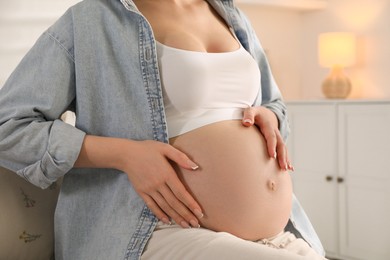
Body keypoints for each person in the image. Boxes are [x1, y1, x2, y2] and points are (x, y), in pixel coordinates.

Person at [0, 0, 326, 259]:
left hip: (275, 233)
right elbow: (9, 127)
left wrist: (270, 117)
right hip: (153, 231)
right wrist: (126, 156)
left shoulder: (232, 16)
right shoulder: (91, 20)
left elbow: (275, 105)